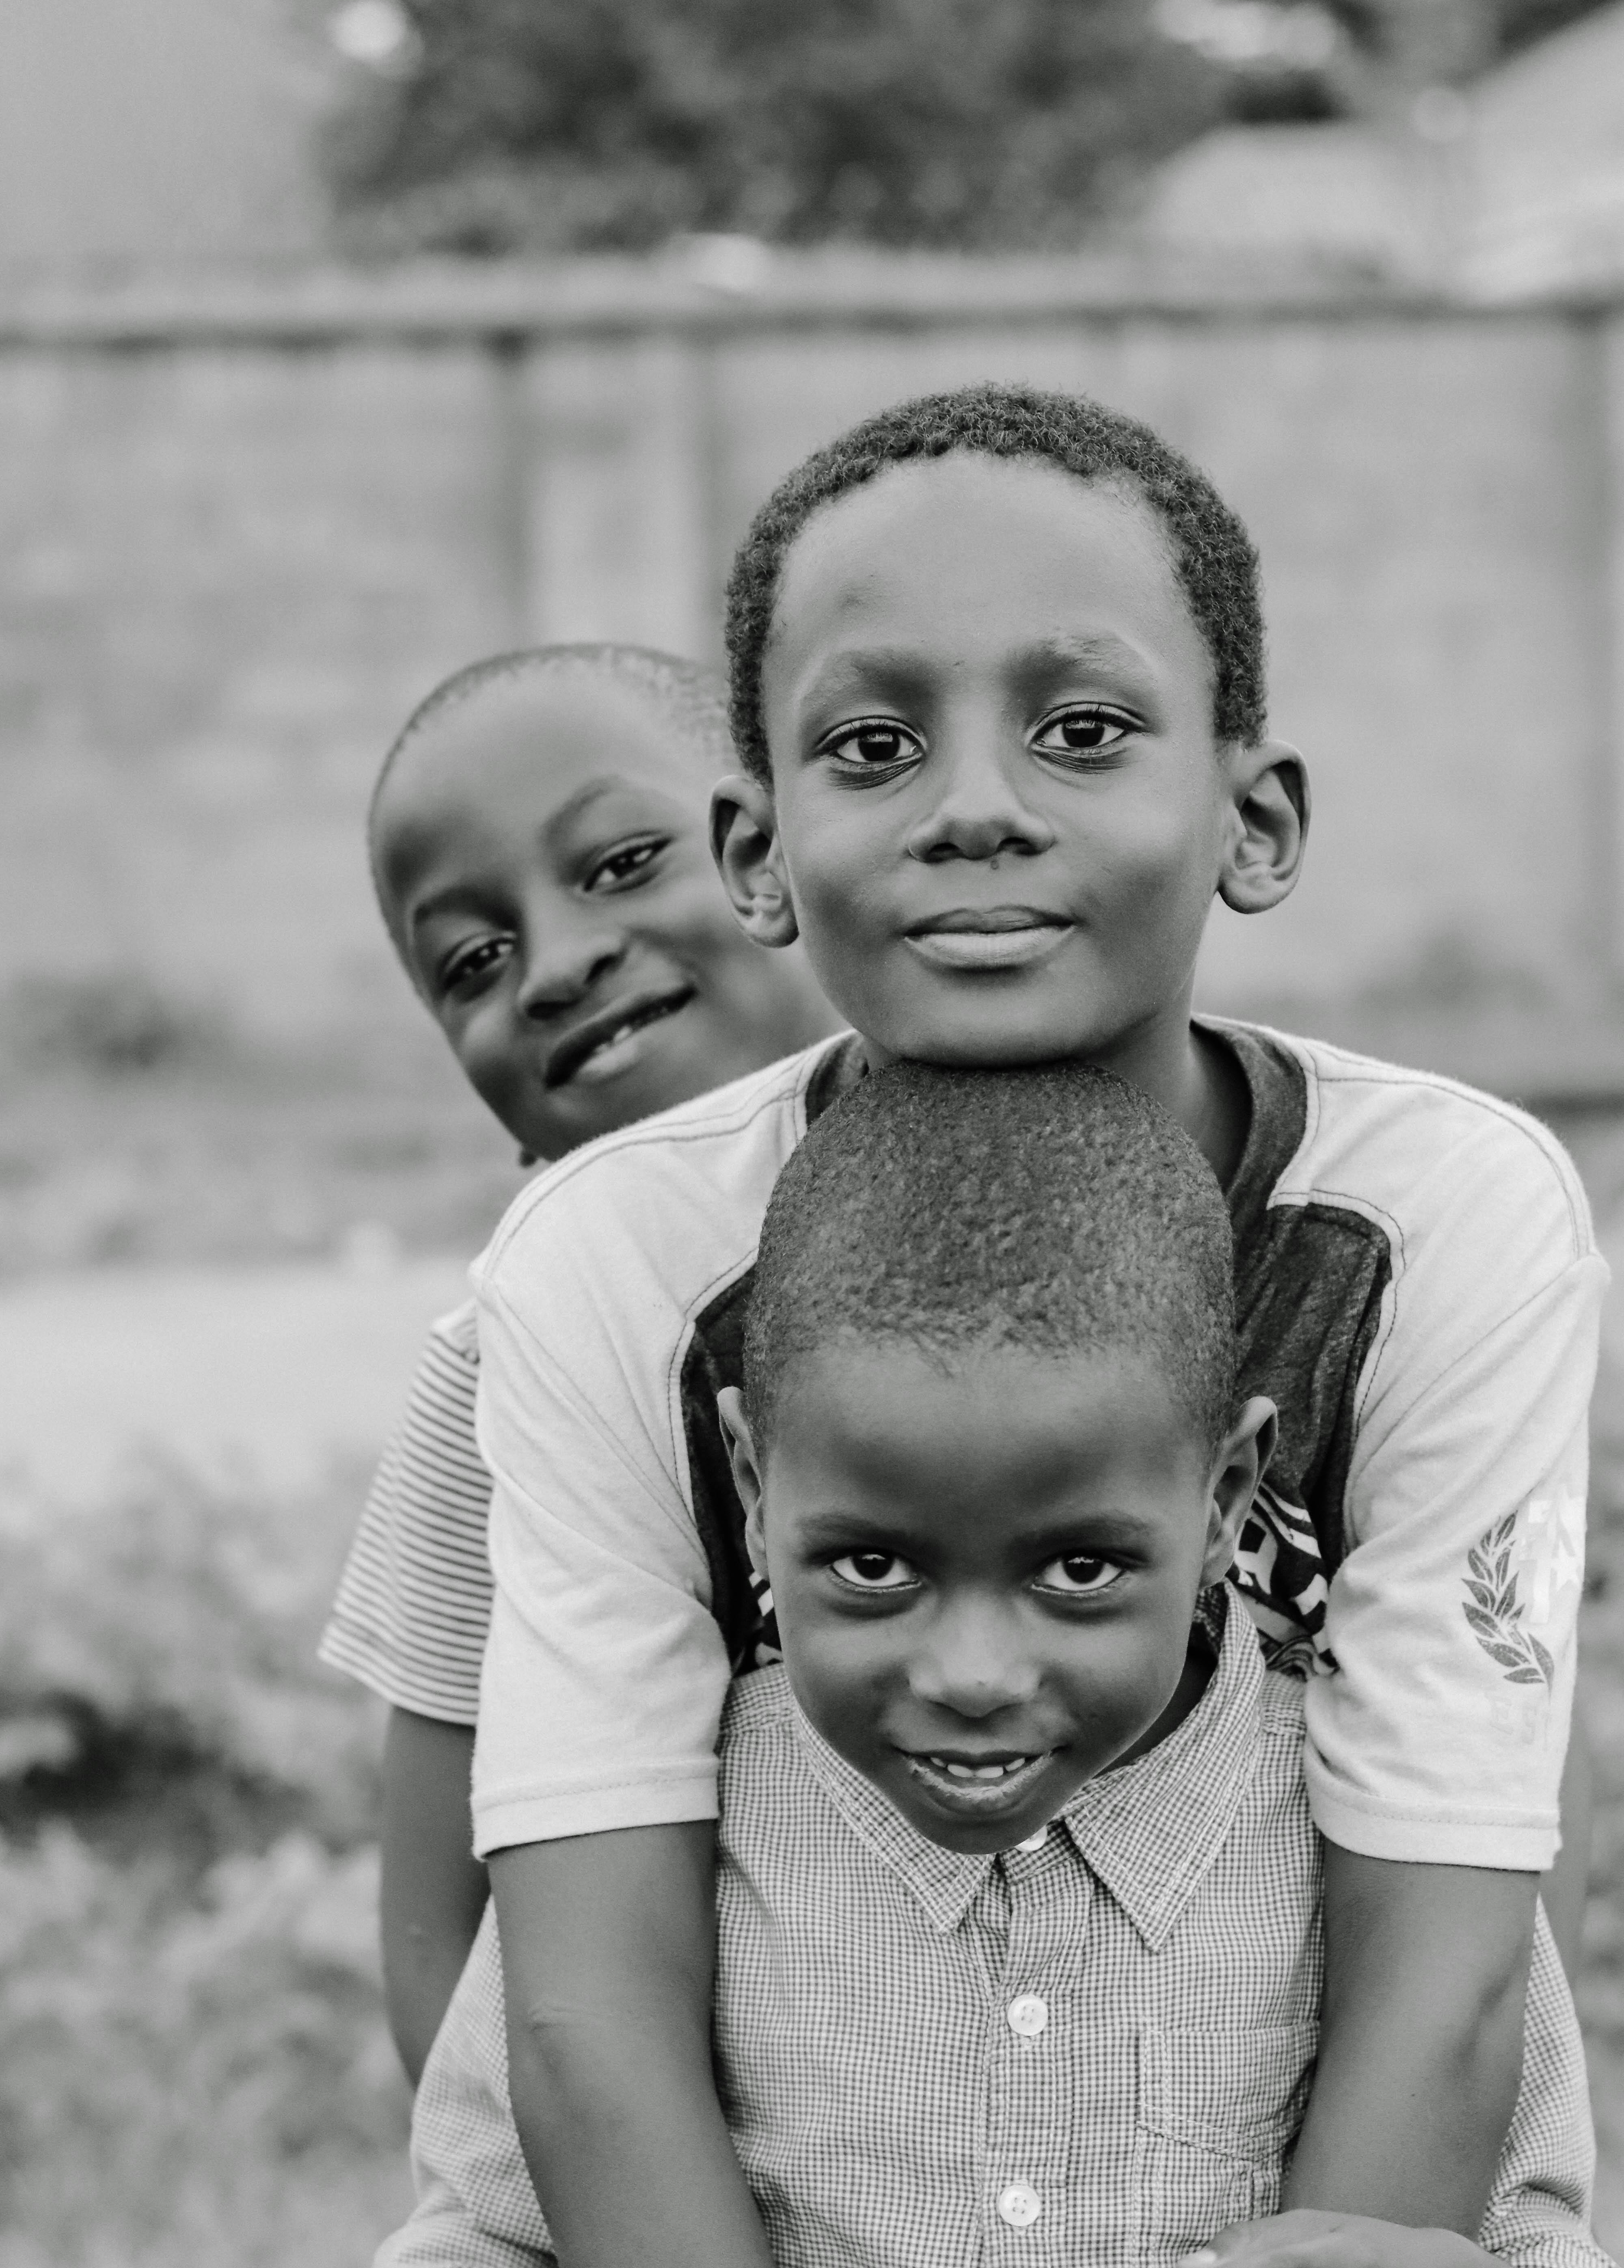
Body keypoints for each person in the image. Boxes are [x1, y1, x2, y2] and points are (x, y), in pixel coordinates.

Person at [465, 386, 1607, 2268]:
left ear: (1253, 817)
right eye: (872, 740)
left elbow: (1449, 1951)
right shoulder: (620, 1260)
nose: (976, 803)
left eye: (1082, 732)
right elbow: (582, 2011)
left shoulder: (1436, 1226)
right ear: (754, 849)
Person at [382, 1065, 1604, 2268]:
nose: (972, 1675)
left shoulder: (1351, 1854)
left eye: (1078, 1572)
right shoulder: (677, 1855)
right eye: (872, 1568)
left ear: (1227, 1499)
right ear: (754, 1491)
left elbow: (1531, 2231)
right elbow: (482, 2230)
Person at [319, 643, 833, 2080]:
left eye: (619, 865)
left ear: (777, 852)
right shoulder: (497, 1368)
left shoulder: (1079, 1223)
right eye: (472, 963)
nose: (557, 964)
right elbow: (440, 1920)